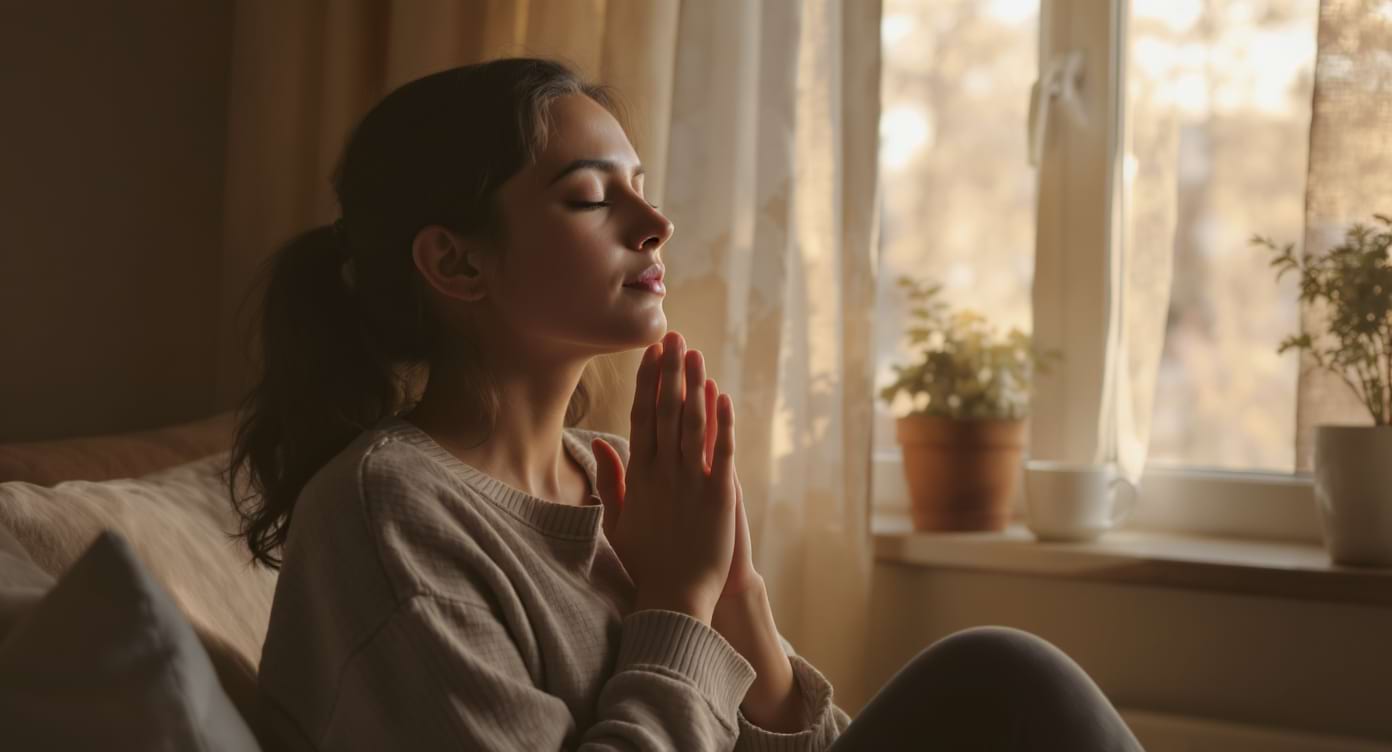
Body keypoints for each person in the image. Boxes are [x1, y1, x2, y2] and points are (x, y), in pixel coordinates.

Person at [229, 57, 1144, 751]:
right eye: (592, 197)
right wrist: (675, 603)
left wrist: (736, 600)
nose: (653, 221)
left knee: (999, 674)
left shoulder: (617, 474)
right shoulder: (385, 514)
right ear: (456, 262)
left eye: (640, 185)